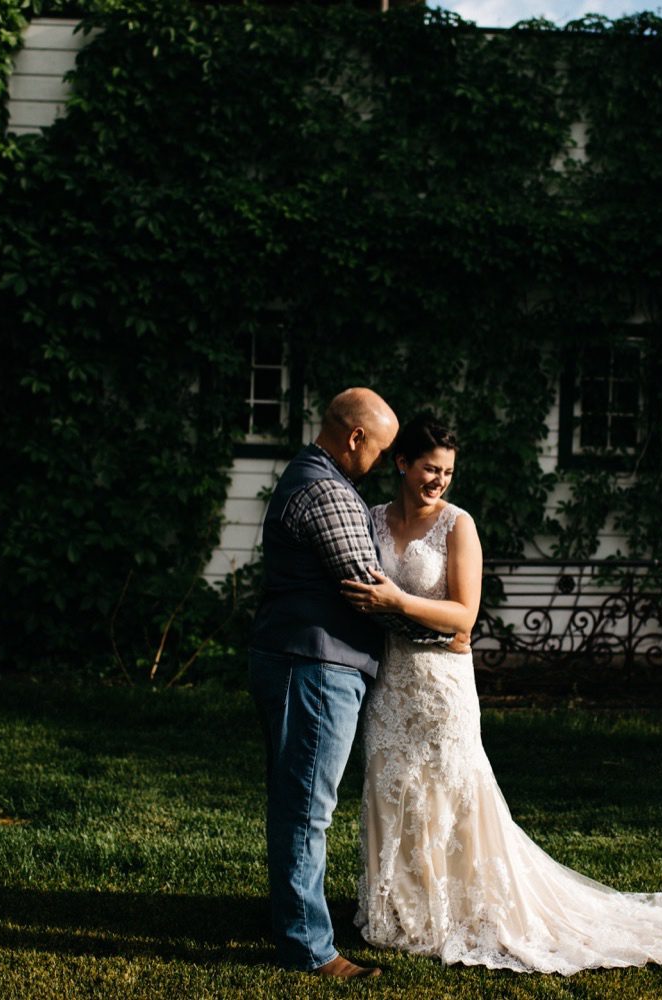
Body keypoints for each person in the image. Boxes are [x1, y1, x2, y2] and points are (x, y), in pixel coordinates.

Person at [341, 414, 662, 974]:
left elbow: (464, 616)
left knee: (452, 793)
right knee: (393, 786)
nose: (440, 481)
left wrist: (398, 604)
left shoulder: (458, 526)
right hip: (389, 682)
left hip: (440, 687)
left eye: (448, 471)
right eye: (431, 468)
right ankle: (404, 911)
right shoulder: (371, 520)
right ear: (402, 463)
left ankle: (460, 911)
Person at [248, 387, 464, 979]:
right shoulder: (328, 491)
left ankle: (290, 920)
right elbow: (369, 591)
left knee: (295, 802)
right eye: (383, 447)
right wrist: (443, 635)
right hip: (315, 666)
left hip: (300, 660)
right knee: (307, 810)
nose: (384, 460)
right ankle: (309, 949)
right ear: (355, 438)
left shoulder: (314, 478)